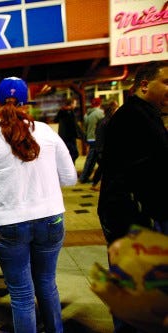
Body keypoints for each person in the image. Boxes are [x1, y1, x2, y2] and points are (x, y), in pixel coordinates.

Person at [0, 76, 77, 333]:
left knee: (21, 294)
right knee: (47, 284)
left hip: (6, 224)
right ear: (27, 101)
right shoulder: (47, 132)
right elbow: (70, 178)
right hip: (51, 219)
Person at [97, 60, 168, 333]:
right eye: (166, 82)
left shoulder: (145, 114)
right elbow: (144, 173)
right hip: (133, 218)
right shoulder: (134, 117)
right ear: (144, 85)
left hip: (133, 216)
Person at [90, 99, 119, 191]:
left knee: (103, 168)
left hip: (101, 148)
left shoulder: (103, 120)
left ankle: (95, 183)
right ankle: (96, 184)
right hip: (104, 149)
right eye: (116, 109)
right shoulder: (108, 122)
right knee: (105, 168)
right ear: (112, 110)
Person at [79, 97, 104, 183]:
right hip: (97, 139)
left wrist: (86, 139)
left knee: (95, 159)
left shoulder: (86, 115)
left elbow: (85, 129)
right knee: (92, 160)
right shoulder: (100, 113)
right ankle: (83, 178)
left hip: (90, 138)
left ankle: (87, 177)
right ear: (100, 104)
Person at [54, 97, 85, 165]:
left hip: (65, 137)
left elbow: (55, 120)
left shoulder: (63, 111)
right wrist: (81, 135)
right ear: (71, 104)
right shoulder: (69, 112)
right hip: (69, 137)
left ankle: (70, 167)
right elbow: (73, 125)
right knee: (74, 154)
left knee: (70, 154)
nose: (75, 105)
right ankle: (70, 168)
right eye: (75, 104)